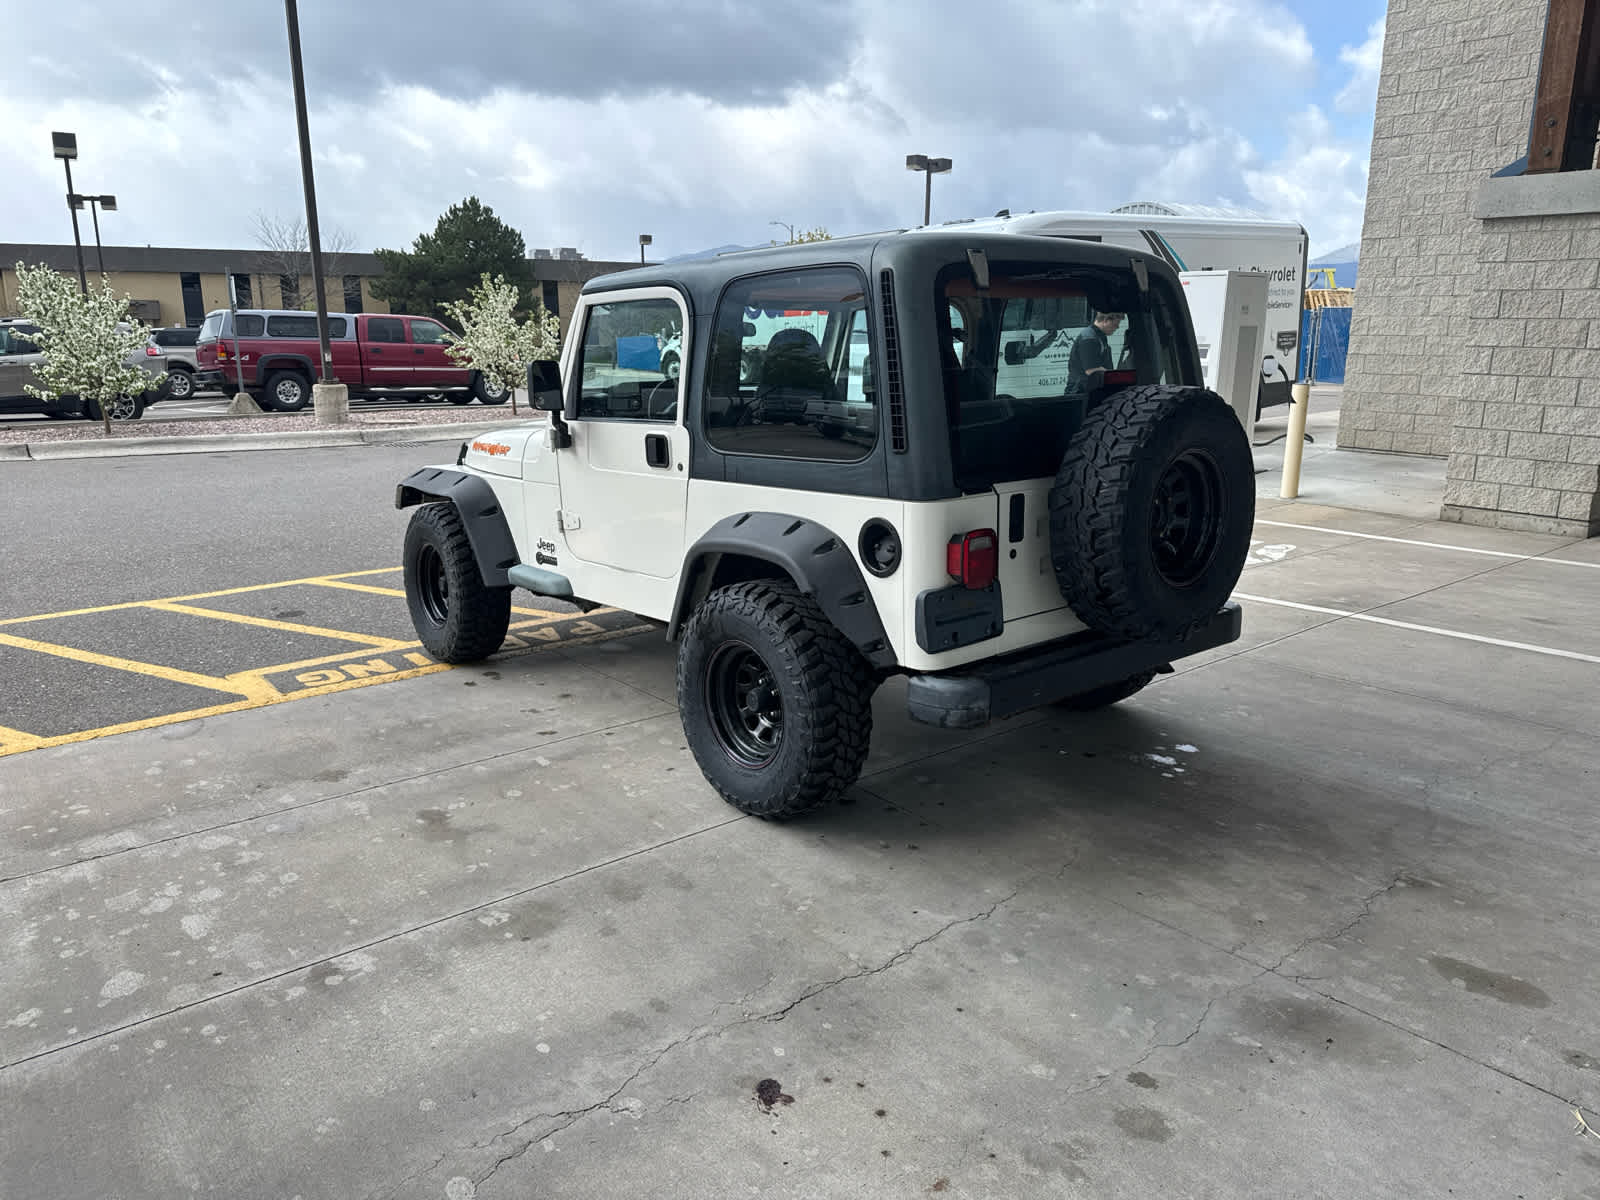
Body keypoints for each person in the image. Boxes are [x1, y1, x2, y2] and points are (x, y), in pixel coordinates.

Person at [1066, 311, 1124, 394]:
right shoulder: (1089, 338)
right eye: (1115, 324)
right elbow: (1091, 370)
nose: (1117, 327)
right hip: (1080, 394)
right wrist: (1115, 376)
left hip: (1090, 390)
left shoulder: (1099, 336)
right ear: (1106, 320)